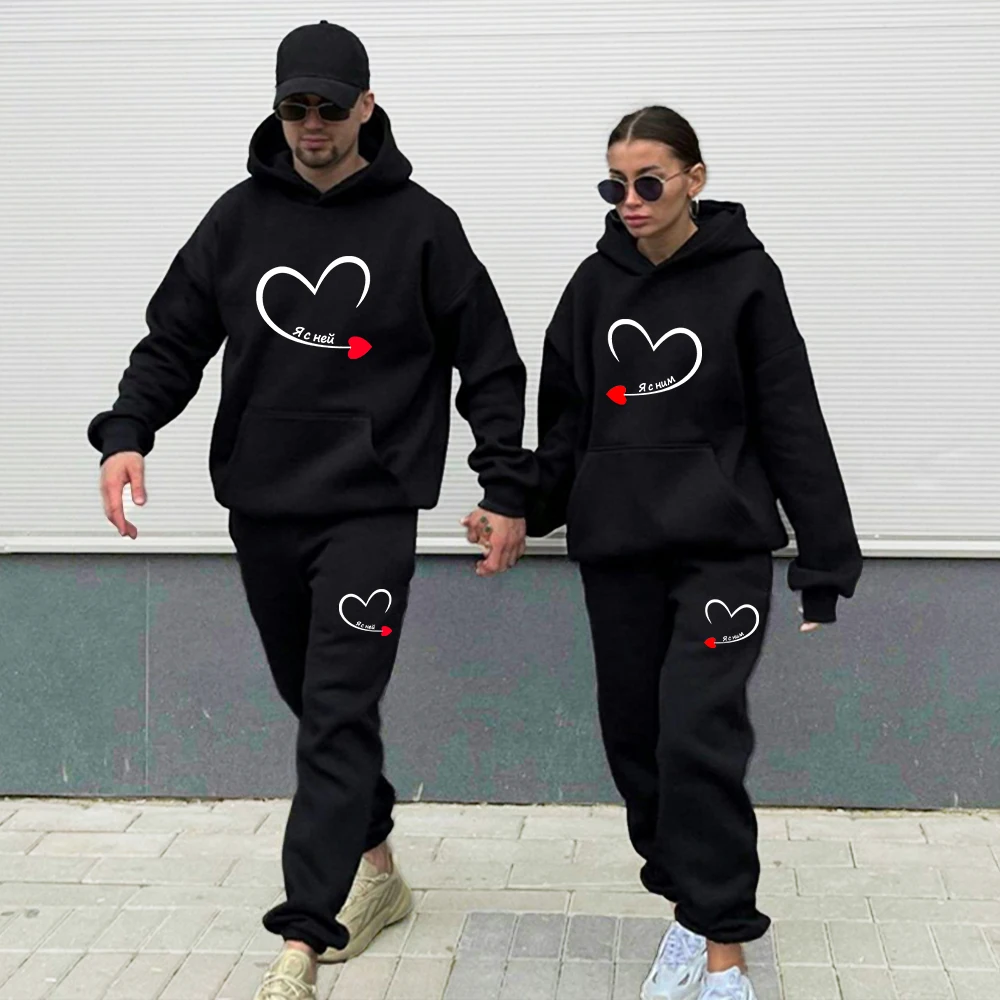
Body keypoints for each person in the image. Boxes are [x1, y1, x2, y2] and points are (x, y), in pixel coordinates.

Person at [87, 21, 534, 1000]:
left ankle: (303, 933)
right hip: (264, 501)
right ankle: (377, 868)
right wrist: (127, 432)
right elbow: (175, 339)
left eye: (331, 106)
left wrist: (505, 486)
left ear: (366, 106)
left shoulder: (421, 226)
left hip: (369, 508)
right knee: (315, 699)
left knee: (335, 711)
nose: (313, 124)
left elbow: (490, 362)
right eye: (297, 107)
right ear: (279, 108)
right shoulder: (238, 219)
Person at [522, 105, 863, 1000]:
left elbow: (790, 416)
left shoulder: (747, 279)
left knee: (698, 737)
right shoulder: (592, 288)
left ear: (694, 179)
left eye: (648, 182)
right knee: (636, 742)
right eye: (614, 185)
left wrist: (825, 562)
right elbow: (565, 423)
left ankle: (724, 952)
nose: (630, 201)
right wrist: (519, 507)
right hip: (619, 552)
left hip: (722, 552)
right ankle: (688, 906)